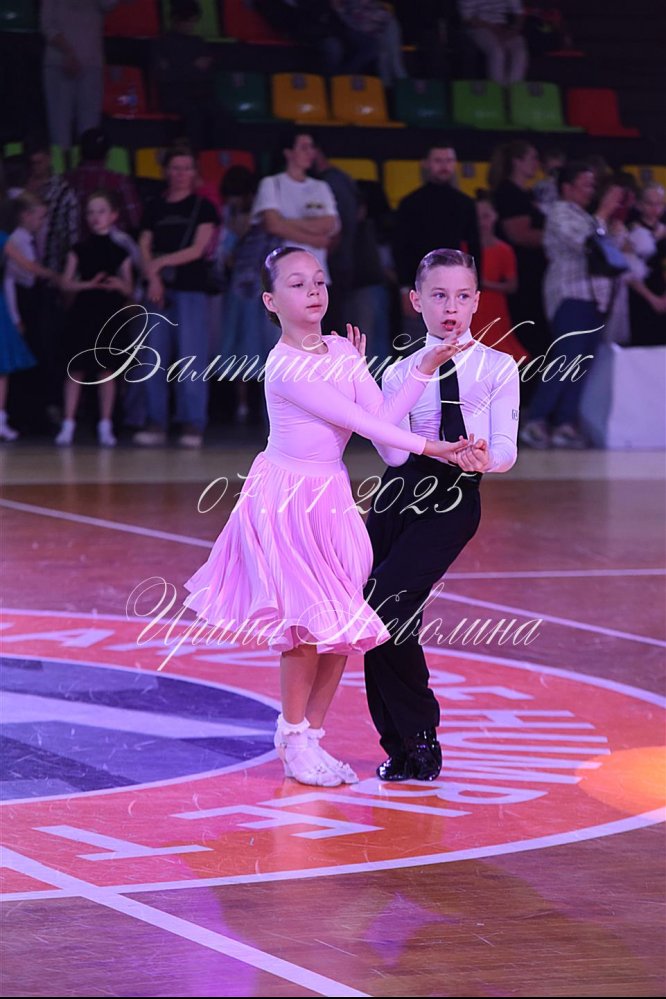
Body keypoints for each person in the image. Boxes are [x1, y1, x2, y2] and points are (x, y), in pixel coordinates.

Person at [183, 246, 473, 786]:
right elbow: (367, 426)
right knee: (304, 630)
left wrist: (412, 371)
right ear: (270, 301)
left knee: (344, 625)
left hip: (332, 499)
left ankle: (310, 738)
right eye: (297, 284)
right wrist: (435, 445)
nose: (314, 291)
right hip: (287, 500)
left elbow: (388, 442)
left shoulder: (340, 350)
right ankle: (292, 735)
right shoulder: (285, 366)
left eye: (318, 280)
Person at [364, 248, 519, 782]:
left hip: (453, 498)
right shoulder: (399, 371)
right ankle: (401, 745)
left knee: (383, 600)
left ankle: (419, 733)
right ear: (416, 300)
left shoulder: (497, 367)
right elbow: (392, 454)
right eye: (438, 295)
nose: (450, 307)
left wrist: (485, 458)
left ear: (476, 301)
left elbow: (506, 448)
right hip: (397, 494)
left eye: (461, 295)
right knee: (374, 612)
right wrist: (398, 399)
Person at [222, 128, 340, 424]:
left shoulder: (321, 187)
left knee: (313, 352)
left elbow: (329, 225)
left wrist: (291, 224)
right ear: (288, 152)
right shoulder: (271, 184)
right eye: (303, 146)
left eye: (312, 147)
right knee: (278, 350)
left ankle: (310, 418)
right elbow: (273, 225)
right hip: (283, 283)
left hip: (317, 281)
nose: (309, 152)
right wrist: (312, 235)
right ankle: (276, 420)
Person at [519, 162, 623, 449]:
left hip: (595, 299)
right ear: (567, 187)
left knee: (583, 363)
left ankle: (564, 423)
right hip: (571, 296)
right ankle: (535, 420)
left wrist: (614, 225)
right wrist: (603, 214)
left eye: (593, 185)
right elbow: (584, 243)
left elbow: (612, 252)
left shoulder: (586, 216)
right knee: (566, 360)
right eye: (586, 184)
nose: (591, 191)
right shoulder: (560, 213)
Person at [136, 144, 218, 448]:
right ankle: (155, 420)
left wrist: (160, 264)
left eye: (186, 168)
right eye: (175, 168)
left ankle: (192, 422)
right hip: (158, 289)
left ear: (194, 172)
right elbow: (144, 243)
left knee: (191, 357)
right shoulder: (154, 206)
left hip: (190, 289)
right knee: (152, 356)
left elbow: (197, 249)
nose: (181, 174)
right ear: (166, 171)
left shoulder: (203, 207)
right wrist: (153, 276)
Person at [55, 191, 133, 447]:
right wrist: (87, 284)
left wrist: (118, 284)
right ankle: (68, 423)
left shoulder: (120, 251)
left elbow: (129, 289)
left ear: (113, 215)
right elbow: (65, 283)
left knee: (107, 370)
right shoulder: (78, 249)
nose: (95, 217)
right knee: (75, 369)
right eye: (90, 212)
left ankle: (105, 424)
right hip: (83, 313)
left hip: (109, 314)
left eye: (101, 211)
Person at [393, 146, 481, 349]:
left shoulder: (466, 204)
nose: (444, 166)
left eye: (449, 161)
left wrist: (473, 289)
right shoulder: (410, 204)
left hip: (457, 291)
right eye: (438, 160)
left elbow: (474, 250)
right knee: (418, 348)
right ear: (426, 164)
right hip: (422, 289)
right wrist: (405, 289)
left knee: (460, 350)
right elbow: (401, 250)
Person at [490, 141, 548, 360]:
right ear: (517, 161)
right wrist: (555, 237)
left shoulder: (527, 194)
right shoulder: (510, 193)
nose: (537, 163)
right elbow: (519, 234)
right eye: (532, 158)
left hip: (533, 273)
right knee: (529, 332)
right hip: (523, 273)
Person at [40, 0, 118, 150]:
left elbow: (108, 4)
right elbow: (47, 25)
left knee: (90, 130)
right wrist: (68, 52)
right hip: (58, 63)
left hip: (91, 63)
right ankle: (60, 164)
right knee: (59, 128)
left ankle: (88, 163)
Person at [473, 191, 526, 362]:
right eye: (477, 217)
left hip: (494, 310)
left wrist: (485, 284)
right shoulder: (463, 248)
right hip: (472, 311)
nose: (482, 222)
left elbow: (512, 285)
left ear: (495, 216)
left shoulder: (504, 250)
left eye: (486, 216)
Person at [0, 213, 38, 442]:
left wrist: (50, 274)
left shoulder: (3, 239)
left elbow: (26, 266)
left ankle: (0, 420)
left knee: (2, 365)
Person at [67, 128, 142, 235]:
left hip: (76, 242)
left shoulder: (66, 180)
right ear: (108, 153)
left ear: (80, 152)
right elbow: (135, 219)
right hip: (112, 242)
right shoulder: (120, 180)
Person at [458, 0, 528, 85]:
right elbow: (467, 19)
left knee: (520, 52)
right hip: (479, 27)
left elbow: (519, 13)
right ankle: (497, 88)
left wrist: (514, 30)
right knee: (498, 51)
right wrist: (493, 28)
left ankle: (513, 88)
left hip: (503, 26)